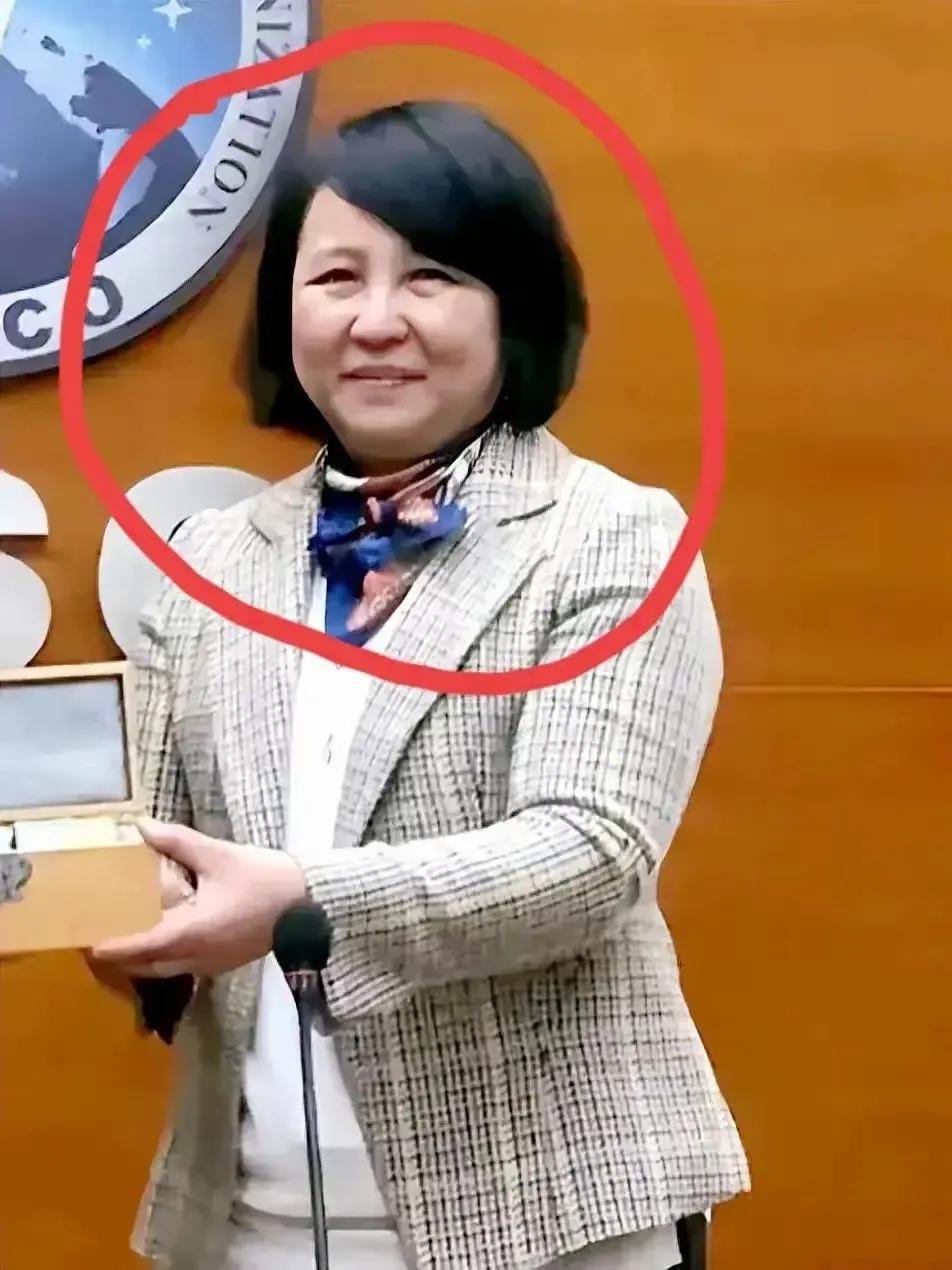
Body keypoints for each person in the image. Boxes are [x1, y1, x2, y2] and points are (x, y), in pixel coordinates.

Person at [86, 99, 750, 1270]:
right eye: (336, 276)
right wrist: (111, 909)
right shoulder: (211, 563)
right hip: (250, 1223)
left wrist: (298, 898)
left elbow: (589, 851)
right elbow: (156, 849)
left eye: (432, 276)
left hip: (554, 1220)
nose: (377, 319)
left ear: (514, 307)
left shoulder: (614, 535)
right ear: (284, 308)